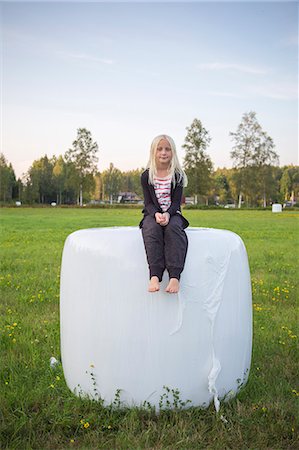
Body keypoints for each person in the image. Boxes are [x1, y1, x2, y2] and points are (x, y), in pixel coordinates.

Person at [139, 134, 189, 294]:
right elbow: (148, 203)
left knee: (174, 229)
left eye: (167, 149)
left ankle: (175, 276)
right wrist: (155, 215)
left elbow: (176, 203)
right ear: (153, 152)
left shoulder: (178, 175)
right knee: (151, 229)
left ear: (173, 152)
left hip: (173, 214)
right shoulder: (147, 175)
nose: (163, 152)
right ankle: (154, 274)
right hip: (153, 214)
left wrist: (167, 214)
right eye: (159, 149)